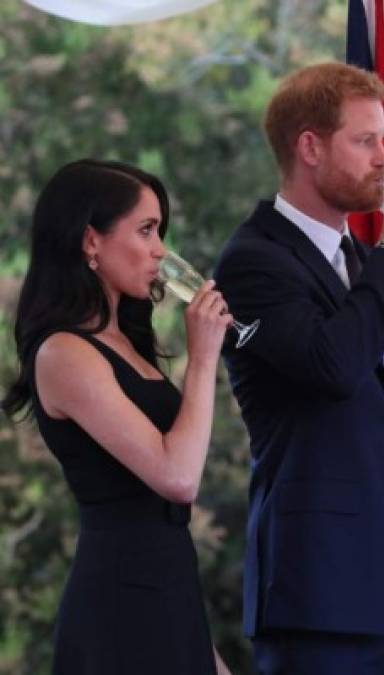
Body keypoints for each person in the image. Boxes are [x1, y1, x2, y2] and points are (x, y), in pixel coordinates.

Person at [214, 62, 384, 674]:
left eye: (383, 139)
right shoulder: (253, 261)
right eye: (365, 140)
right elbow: (334, 366)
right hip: (319, 595)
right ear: (310, 147)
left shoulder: (361, 260)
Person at [2, 159, 233, 675]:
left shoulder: (125, 343)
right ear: (91, 241)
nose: (160, 250)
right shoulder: (64, 353)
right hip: (121, 609)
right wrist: (202, 359)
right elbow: (176, 477)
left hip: (167, 592)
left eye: (161, 232)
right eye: (146, 230)